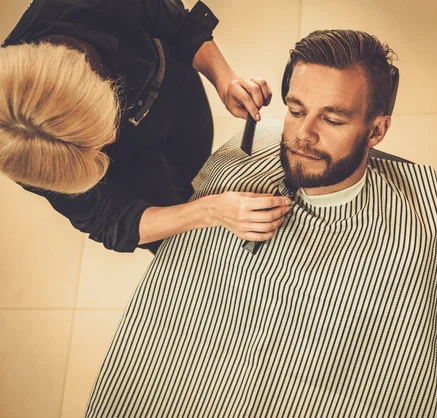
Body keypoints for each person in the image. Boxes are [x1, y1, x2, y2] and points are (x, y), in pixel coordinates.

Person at [76, 30, 437, 418]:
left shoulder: (424, 208)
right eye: (296, 109)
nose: (303, 135)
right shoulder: (243, 159)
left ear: (377, 131)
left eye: (333, 119)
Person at [0, 0, 291, 253]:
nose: (114, 135)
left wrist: (225, 79)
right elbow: (109, 220)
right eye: (99, 145)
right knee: (177, 237)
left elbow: (179, 26)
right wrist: (209, 210)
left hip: (169, 88)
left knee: (196, 163)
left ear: (97, 79)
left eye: (103, 130)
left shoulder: (93, 4)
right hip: (129, 168)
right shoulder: (26, 150)